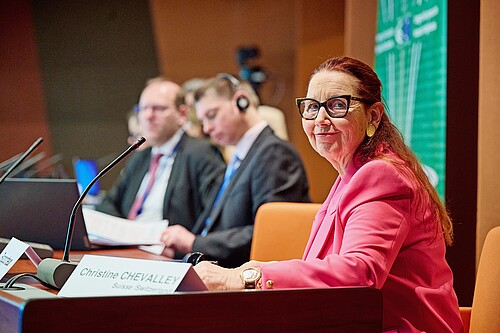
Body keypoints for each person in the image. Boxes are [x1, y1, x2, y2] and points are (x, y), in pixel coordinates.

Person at [193, 57, 463, 333]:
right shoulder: (353, 172)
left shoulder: (382, 175)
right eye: (311, 107)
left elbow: (360, 272)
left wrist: (245, 277)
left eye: (337, 105)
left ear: (373, 116)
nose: (320, 119)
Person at [160, 74, 310, 267]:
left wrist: (194, 243)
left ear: (241, 101)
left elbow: (269, 233)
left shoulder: (274, 153)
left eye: (212, 115)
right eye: (203, 120)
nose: (207, 128)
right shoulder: (240, 156)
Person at [96, 78, 225, 234]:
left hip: (167, 250)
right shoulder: (141, 156)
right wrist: (122, 232)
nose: (149, 116)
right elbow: (108, 203)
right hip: (128, 246)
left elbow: (214, 217)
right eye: (143, 109)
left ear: (182, 114)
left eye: (159, 108)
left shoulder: (201, 153)